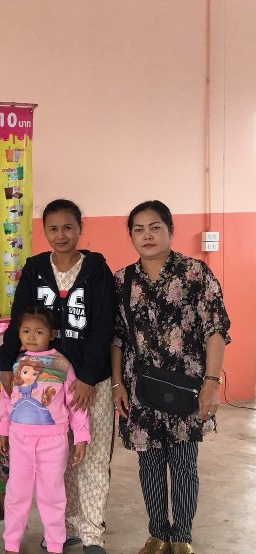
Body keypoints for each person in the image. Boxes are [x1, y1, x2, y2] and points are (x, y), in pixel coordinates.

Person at [111, 200, 230, 554]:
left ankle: (182, 537)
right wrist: (117, 384)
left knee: (183, 465)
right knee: (148, 464)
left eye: (154, 227)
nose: (146, 235)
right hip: (140, 390)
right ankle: (158, 534)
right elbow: (116, 339)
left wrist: (211, 383)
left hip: (186, 387)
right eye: (138, 229)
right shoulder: (122, 280)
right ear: (131, 235)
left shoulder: (195, 273)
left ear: (170, 230)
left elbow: (215, 330)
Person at [0, 199, 115, 553]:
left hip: (88, 380)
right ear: (44, 231)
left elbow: (103, 328)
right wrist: (6, 363)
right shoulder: (34, 269)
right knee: (56, 461)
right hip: (43, 381)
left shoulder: (97, 270)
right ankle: (62, 531)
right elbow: (17, 319)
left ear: (80, 228)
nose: (60, 235)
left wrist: (88, 378)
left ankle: (91, 531)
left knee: (90, 455)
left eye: (68, 227)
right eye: (53, 228)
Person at [0, 306, 90, 554]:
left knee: (52, 495)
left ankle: (55, 543)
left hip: (53, 442)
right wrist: (3, 430)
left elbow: (75, 404)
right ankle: (11, 543)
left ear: (51, 334)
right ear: (18, 333)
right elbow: (6, 399)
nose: (31, 336)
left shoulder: (62, 364)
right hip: (20, 440)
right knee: (16, 493)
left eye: (39, 332)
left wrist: (81, 436)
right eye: (26, 331)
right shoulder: (14, 364)